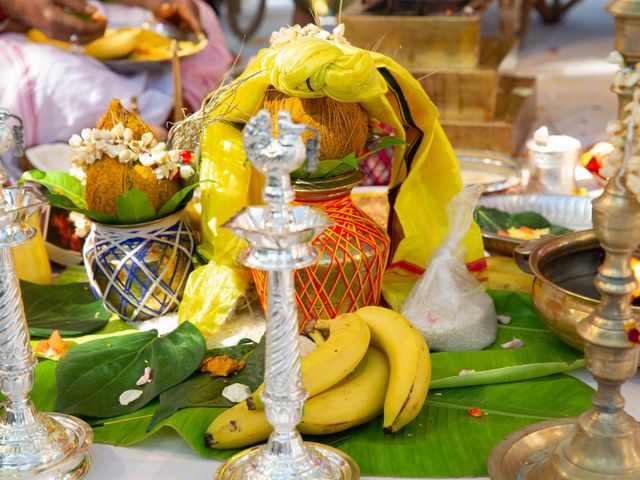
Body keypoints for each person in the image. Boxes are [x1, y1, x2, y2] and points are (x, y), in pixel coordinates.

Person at [0, 0, 232, 149]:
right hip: (14, 36)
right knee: (50, 80)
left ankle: (169, 126)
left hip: (88, 11)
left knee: (203, 21)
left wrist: (161, 3)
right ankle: (114, 143)